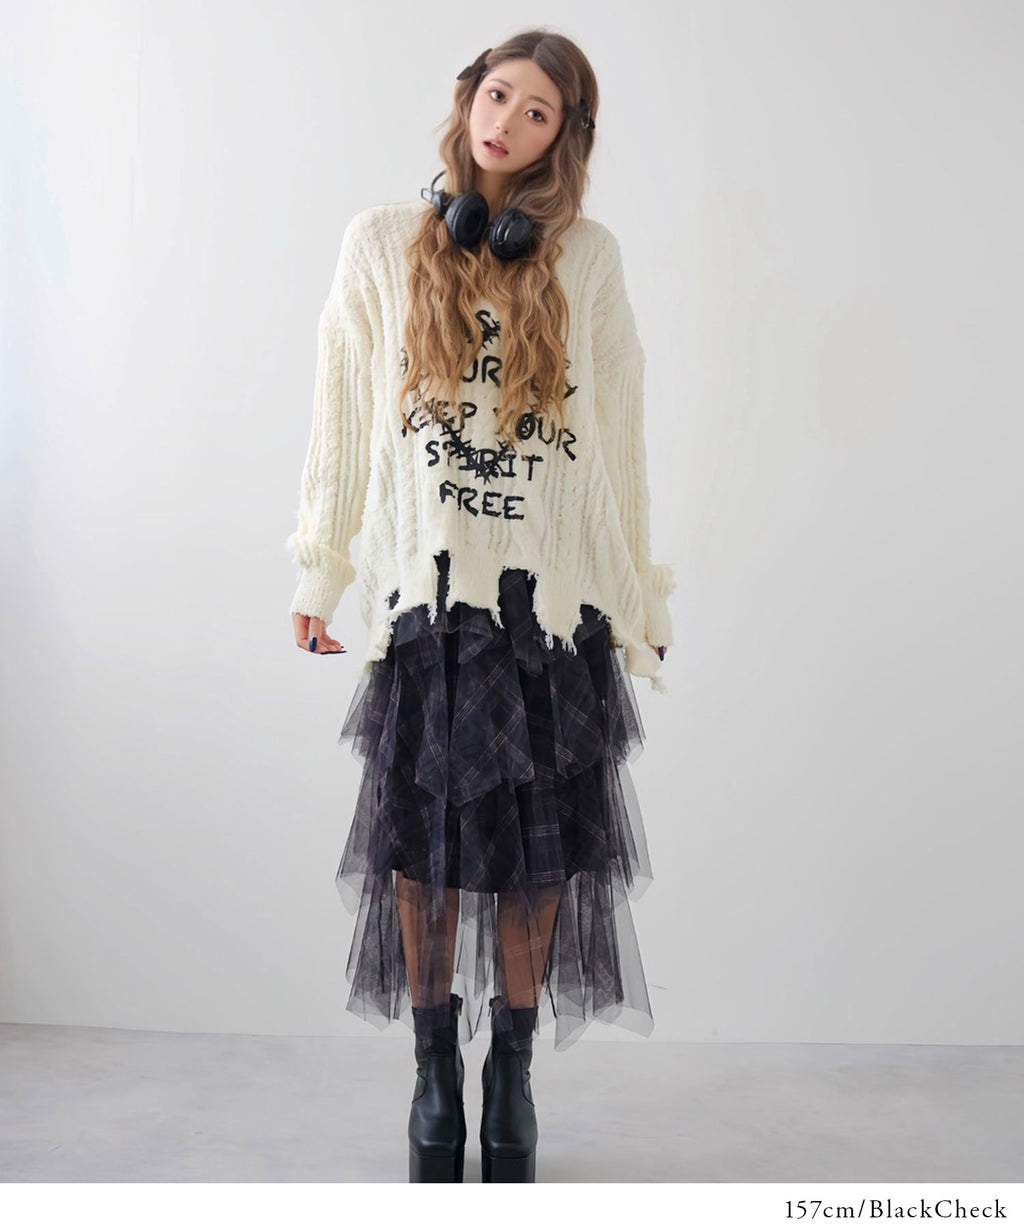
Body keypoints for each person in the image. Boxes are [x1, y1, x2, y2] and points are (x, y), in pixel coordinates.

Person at [285, 28, 676, 1183]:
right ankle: (431, 1072)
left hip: (545, 606)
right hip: (430, 598)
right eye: (497, 95)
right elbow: (342, 413)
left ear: (564, 138)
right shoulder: (379, 243)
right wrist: (320, 570)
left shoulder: (585, 259)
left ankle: (510, 1072)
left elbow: (618, 435)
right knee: (422, 853)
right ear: (467, 99)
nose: (507, 121)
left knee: (534, 855)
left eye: (537, 110)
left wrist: (639, 590)